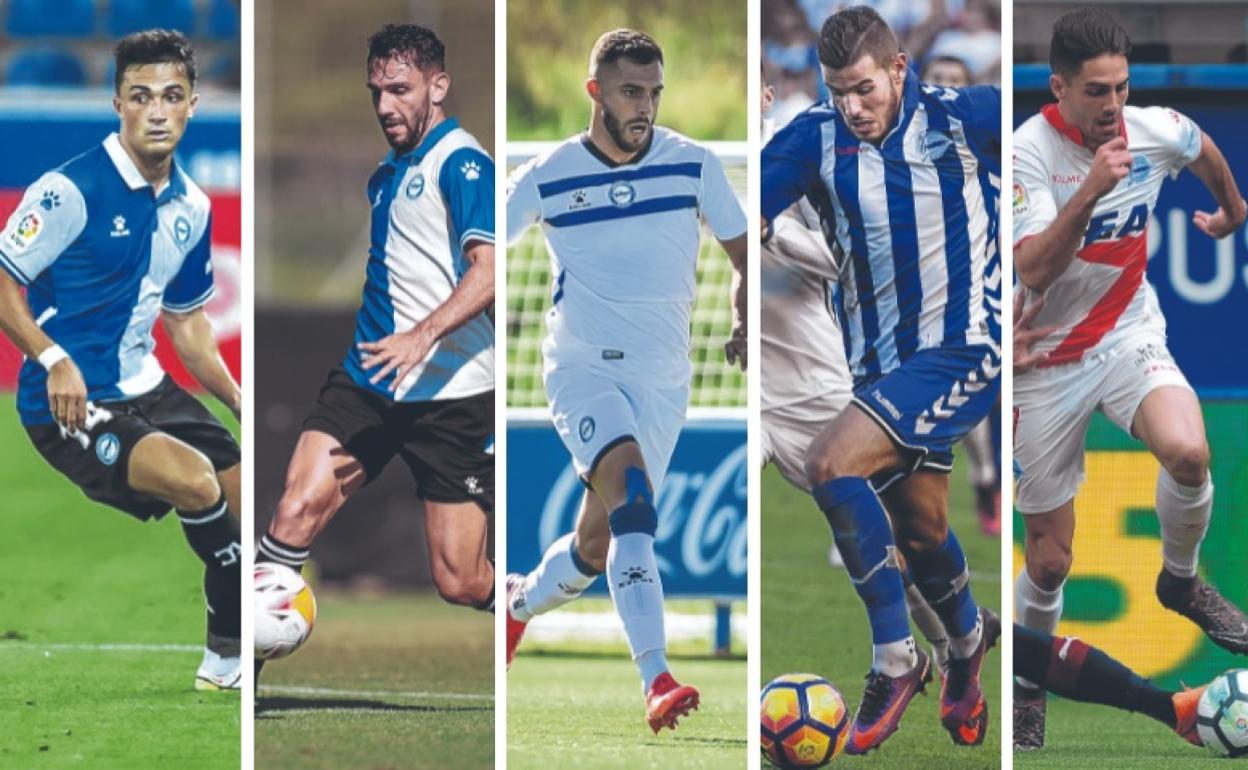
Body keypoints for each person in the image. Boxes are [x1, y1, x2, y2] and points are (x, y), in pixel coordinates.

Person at [763, 5, 1002, 753]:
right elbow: (739, 216)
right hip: (880, 365)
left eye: (864, 88)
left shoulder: (967, 118)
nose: (852, 106)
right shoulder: (813, 138)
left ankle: (896, 660)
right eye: (838, 91)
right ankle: (965, 650)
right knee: (923, 532)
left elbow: (1049, 140)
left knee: (829, 463)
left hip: (963, 347)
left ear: (900, 69)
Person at [1012, 8, 1248, 750]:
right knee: (1049, 560)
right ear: (1059, 88)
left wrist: (1233, 209)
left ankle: (1179, 581)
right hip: (1041, 363)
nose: (1112, 106)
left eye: (1120, 87)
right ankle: (1028, 684)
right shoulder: (1028, 153)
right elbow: (1033, 267)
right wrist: (1090, 190)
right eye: (1095, 92)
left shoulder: (1149, 127)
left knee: (1189, 451)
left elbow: (1201, 144)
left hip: (1124, 335)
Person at [504, 29, 748, 734]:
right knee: (635, 503)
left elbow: (743, 256)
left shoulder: (694, 165)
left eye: (654, 92)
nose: (645, 106)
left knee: (595, 546)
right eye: (631, 92)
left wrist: (739, 318)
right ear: (595, 93)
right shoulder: (547, 174)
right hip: (581, 372)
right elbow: (485, 245)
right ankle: (658, 679)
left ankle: (516, 605)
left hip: (665, 383)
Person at [0, 30, 241, 690]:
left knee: (252, 504)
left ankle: (248, 649)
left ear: (193, 104)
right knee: (197, 481)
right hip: (67, 401)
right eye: (141, 97)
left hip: (148, 385)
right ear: (118, 105)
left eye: (171, 96)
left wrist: (237, 398)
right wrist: (53, 359)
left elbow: (187, 326)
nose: (157, 111)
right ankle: (227, 654)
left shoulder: (192, 206)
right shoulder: (69, 190)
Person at [255, 24, 496, 648]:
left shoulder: (463, 163)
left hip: (453, 393)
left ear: (438, 86)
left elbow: (490, 273)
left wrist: (423, 335)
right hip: (370, 379)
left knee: (461, 581)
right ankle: (241, 667)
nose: (385, 106)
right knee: (294, 510)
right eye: (376, 92)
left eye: (400, 89)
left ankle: (525, 603)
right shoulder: (387, 173)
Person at [760, 60, 953, 674]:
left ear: (766, 95)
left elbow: (844, 256)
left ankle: (947, 646)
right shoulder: (716, 172)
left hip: (812, 387)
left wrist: (769, 235)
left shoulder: (807, 163)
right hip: (746, 395)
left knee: (887, 540)